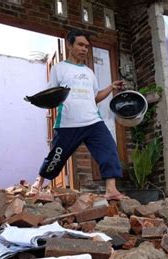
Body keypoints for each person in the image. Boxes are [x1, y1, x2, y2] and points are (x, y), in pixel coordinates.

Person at [30, 29, 125, 200]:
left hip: (93, 121)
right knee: (56, 157)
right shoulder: (59, 69)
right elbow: (52, 94)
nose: (84, 49)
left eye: (87, 47)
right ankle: (39, 181)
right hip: (68, 123)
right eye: (80, 45)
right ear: (69, 45)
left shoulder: (89, 72)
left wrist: (111, 87)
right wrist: (38, 100)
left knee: (109, 148)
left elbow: (94, 98)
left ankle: (111, 189)